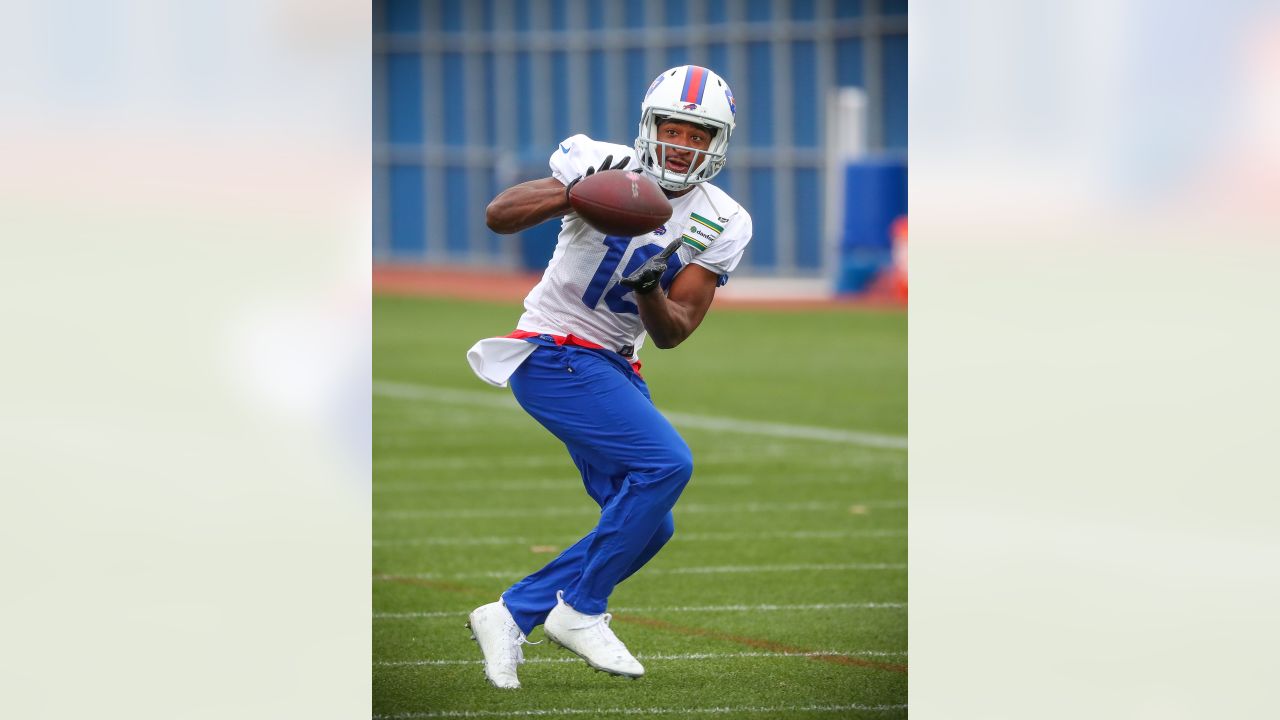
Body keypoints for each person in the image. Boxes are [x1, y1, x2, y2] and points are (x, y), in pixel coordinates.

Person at [463, 65, 752, 690]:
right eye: (673, 129)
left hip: (616, 362)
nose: (682, 144)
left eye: (698, 134)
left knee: (651, 524)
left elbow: (674, 330)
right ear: (650, 127)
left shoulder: (724, 219)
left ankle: (513, 613)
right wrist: (578, 192)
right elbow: (498, 215)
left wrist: (651, 287)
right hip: (551, 349)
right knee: (667, 465)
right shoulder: (602, 161)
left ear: (717, 143)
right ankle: (581, 608)